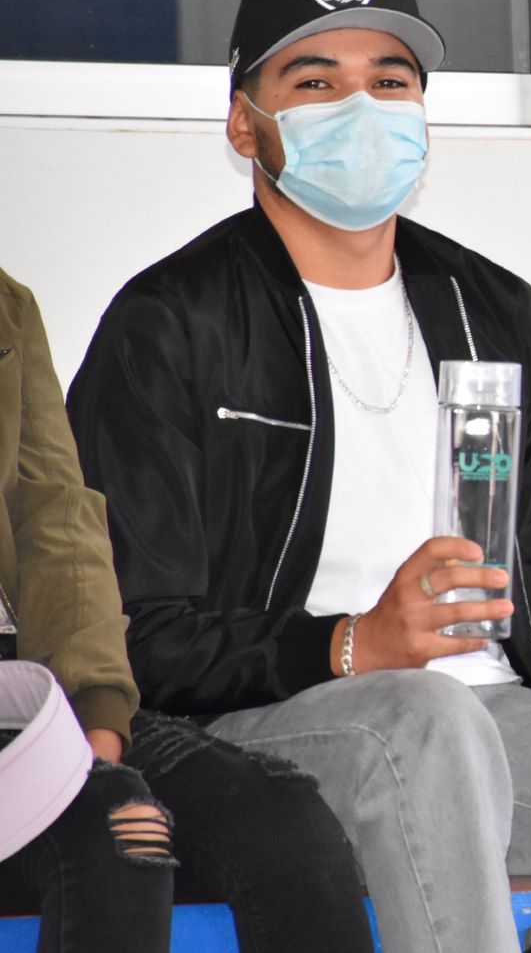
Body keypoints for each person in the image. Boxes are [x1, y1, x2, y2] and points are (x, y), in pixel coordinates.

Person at [64, 0, 531, 953]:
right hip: (263, 724)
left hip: (501, 720)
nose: (362, 107)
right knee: (428, 718)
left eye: (390, 81)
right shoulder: (170, 322)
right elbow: (135, 634)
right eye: (315, 82)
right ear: (245, 123)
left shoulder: (496, 312)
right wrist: (352, 645)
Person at [0, 266, 373, 953]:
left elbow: (59, 522)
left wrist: (96, 716)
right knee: (120, 832)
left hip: (27, 697)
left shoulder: (6, 305)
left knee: (284, 820)